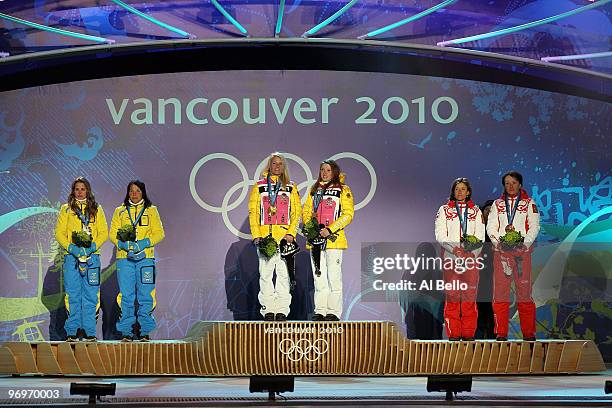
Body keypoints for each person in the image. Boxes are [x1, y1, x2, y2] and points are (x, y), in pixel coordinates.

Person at [486, 171, 540, 341]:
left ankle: (529, 334)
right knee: (500, 294)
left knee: (524, 294)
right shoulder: (497, 204)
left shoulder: (528, 203)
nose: (510, 186)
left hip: (521, 255)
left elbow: (534, 226)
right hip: (501, 254)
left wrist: (525, 244)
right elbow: (491, 227)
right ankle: (501, 333)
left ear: (520, 184)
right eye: (507, 183)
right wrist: (498, 244)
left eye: (514, 183)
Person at [248, 153, 301, 321]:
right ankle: (268, 309)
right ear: (269, 166)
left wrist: (291, 233)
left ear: (283, 167)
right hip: (266, 238)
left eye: (280, 164)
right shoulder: (259, 186)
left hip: (284, 238)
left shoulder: (291, 187)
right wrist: (256, 235)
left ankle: (282, 310)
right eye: (274, 163)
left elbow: (296, 212)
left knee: (283, 274)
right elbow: (253, 212)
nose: (277, 166)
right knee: (265, 274)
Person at [110, 180, 165, 341]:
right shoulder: (119, 211)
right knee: (126, 295)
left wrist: (144, 243)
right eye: (131, 191)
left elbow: (159, 233)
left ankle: (144, 332)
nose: (134, 194)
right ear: (127, 193)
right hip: (124, 258)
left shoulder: (151, 210)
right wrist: (123, 244)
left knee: (145, 295)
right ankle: (126, 331)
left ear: (143, 193)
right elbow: (112, 233)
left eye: (138, 191)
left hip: (145, 259)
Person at [55, 177, 108, 342]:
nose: (80, 192)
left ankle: (89, 331)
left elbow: (103, 233)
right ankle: (72, 331)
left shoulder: (97, 209)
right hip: (72, 258)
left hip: (92, 258)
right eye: (77, 189)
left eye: (83, 189)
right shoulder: (66, 209)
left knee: (91, 294)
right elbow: (59, 233)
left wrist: (91, 248)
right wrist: (72, 249)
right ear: (73, 191)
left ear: (88, 191)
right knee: (73, 294)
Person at [302, 160, 354, 321]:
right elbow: (306, 211)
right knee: (319, 277)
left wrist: (330, 229)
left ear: (335, 172)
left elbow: (348, 214)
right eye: (322, 170)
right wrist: (311, 228)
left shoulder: (343, 190)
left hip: (333, 240)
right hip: (316, 240)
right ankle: (320, 310)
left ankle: (333, 312)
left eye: (328, 170)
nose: (324, 173)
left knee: (334, 277)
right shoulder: (314, 190)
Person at [434, 177, 485, 341]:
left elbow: (480, 236)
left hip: (471, 259)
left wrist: (471, 255)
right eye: (457, 189)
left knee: (470, 297)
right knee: (453, 297)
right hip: (451, 258)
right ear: (453, 191)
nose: (460, 192)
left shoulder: (476, 211)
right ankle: (454, 333)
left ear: (468, 192)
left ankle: (469, 333)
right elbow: (440, 235)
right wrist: (455, 250)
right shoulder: (444, 210)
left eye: (463, 189)